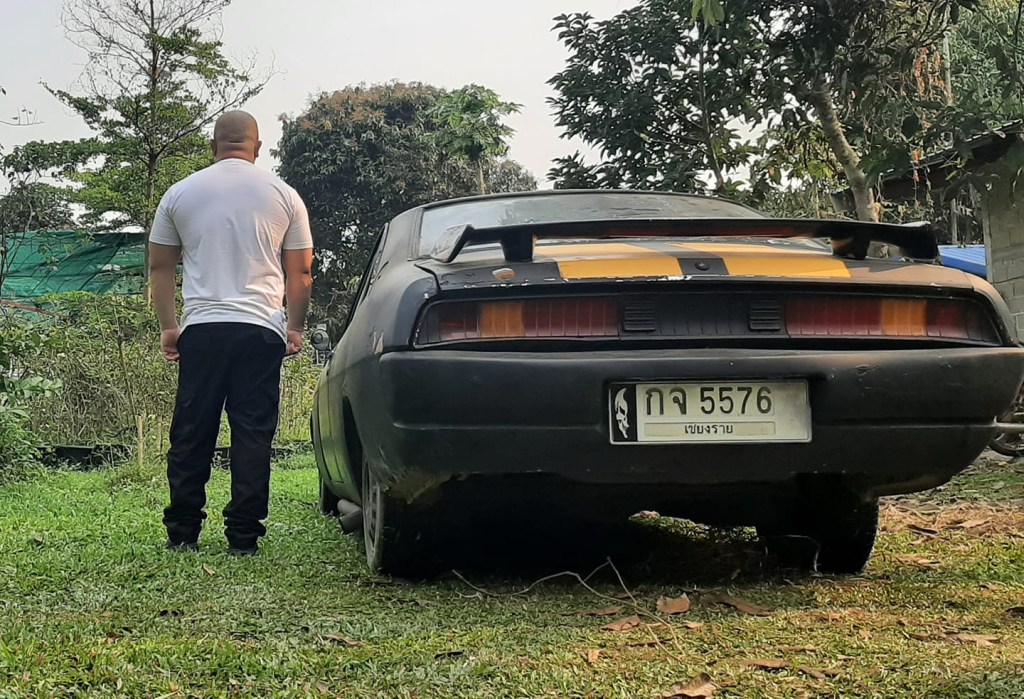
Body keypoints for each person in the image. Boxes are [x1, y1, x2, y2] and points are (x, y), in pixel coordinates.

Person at [148, 110, 313, 555]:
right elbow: (300, 273)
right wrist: (293, 327)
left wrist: (169, 326)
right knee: (253, 434)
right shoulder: (284, 195)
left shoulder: (180, 193)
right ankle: (243, 538)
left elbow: (160, 267)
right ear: (257, 148)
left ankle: (183, 533)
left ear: (212, 146)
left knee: (191, 432)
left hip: (201, 330)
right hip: (260, 329)